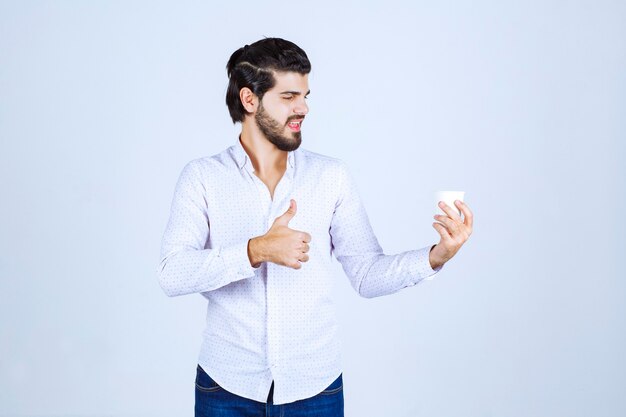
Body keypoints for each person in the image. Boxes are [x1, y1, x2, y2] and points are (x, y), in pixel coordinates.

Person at [157, 37, 473, 417]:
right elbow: (171, 274)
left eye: (306, 95)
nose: (303, 108)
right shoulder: (202, 177)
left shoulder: (330, 177)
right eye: (289, 96)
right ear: (249, 100)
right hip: (226, 386)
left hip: (315, 389)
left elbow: (367, 275)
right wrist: (255, 250)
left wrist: (436, 256)